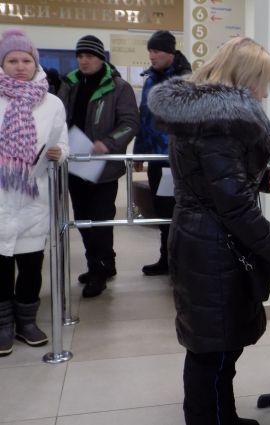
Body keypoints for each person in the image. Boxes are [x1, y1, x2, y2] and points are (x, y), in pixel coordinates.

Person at [147, 37, 270, 425]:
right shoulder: (220, 126)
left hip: (202, 239)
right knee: (213, 354)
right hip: (213, 248)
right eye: (263, 81)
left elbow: (214, 183)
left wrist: (257, 179)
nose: (265, 91)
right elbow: (235, 207)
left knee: (216, 347)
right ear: (245, 77)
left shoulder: (201, 116)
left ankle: (222, 416)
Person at [0, 29, 69, 356]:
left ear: (35, 63)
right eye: (12, 60)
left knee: (30, 265)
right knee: (1, 266)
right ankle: (3, 324)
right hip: (1, 197)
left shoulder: (51, 103)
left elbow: (63, 142)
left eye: (26, 60)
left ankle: (26, 321)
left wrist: (59, 152)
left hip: (34, 195)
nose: (19, 66)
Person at [57, 35, 139, 298]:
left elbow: (130, 123)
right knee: (83, 219)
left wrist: (108, 143)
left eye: (90, 56)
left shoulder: (119, 87)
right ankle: (101, 263)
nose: (84, 61)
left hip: (104, 166)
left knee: (101, 220)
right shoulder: (69, 84)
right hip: (74, 162)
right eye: (80, 56)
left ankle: (99, 271)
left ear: (101, 58)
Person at [133, 30, 191, 277]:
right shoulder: (150, 79)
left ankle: (181, 263)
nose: (151, 56)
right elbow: (144, 118)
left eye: (156, 51)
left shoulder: (185, 79)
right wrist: (139, 152)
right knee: (162, 211)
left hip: (177, 160)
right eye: (150, 51)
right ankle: (166, 259)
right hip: (156, 159)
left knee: (179, 212)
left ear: (170, 53)